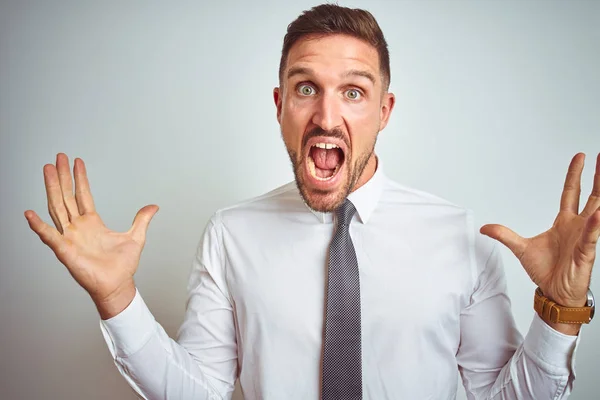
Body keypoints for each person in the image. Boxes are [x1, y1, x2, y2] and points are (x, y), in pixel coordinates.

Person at [25, 4, 598, 400]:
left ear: (385, 111)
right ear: (280, 105)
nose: (327, 116)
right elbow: (200, 391)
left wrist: (560, 311)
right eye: (306, 89)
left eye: (353, 91)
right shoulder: (231, 235)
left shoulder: (460, 237)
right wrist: (118, 298)